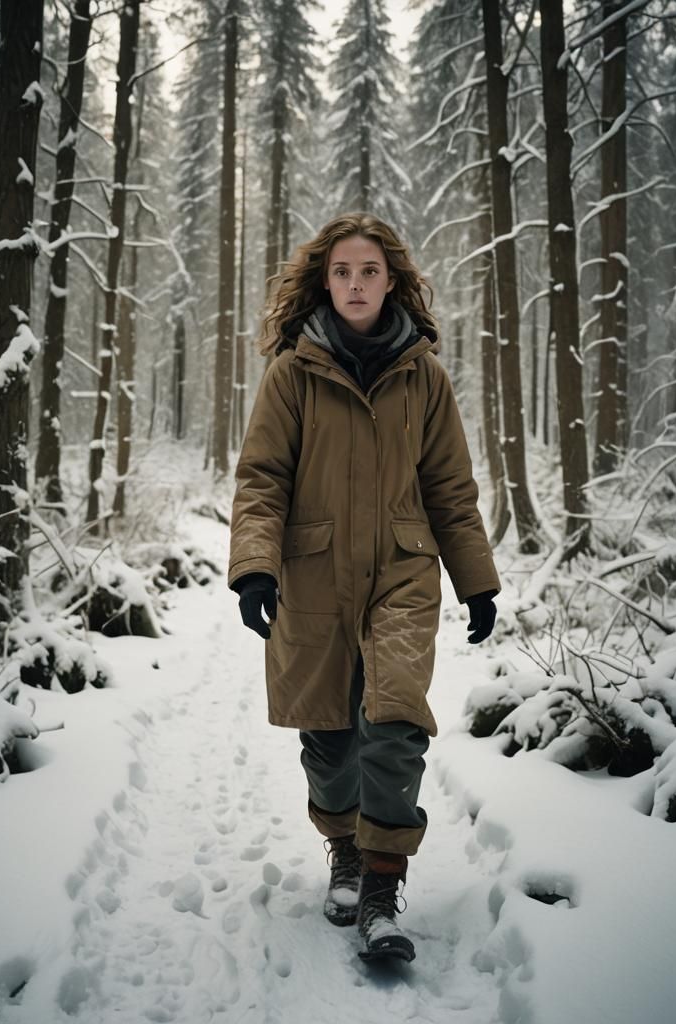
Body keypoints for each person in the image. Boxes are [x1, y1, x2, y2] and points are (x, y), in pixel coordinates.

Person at [228, 213, 499, 963]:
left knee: (395, 722)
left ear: (392, 281)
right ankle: (345, 848)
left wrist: (476, 580)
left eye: (369, 271)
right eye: (343, 271)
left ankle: (381, 888)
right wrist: (254, 565)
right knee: (332, 738)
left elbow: (451, 487)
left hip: (404, 575)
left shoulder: (424, 376)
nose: (355, 284)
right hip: (312, 575)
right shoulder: (293, 373)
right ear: (325, 280)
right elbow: (262, 480)